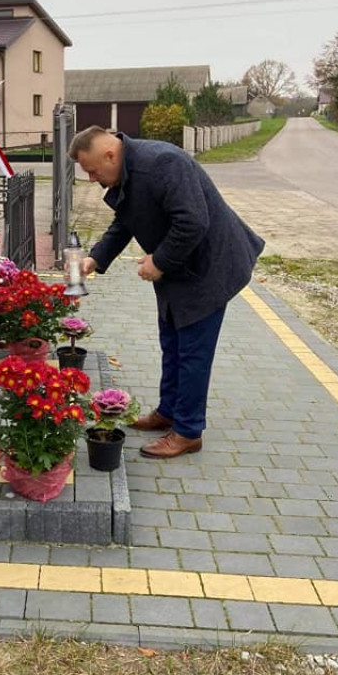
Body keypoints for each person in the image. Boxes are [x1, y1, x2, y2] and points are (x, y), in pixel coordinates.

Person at [70, 126, 264, 460]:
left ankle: (188, 431)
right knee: (172, 343)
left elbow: (193, 222)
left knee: (192, 351)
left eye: (92, 171)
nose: (91, 179)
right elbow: (124, 223)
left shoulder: (162, 163)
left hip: (209, 266)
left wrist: (159, 262)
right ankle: (169, 411)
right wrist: (95, 259)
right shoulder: (127, 172)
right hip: (180, 267)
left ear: (110, 154)